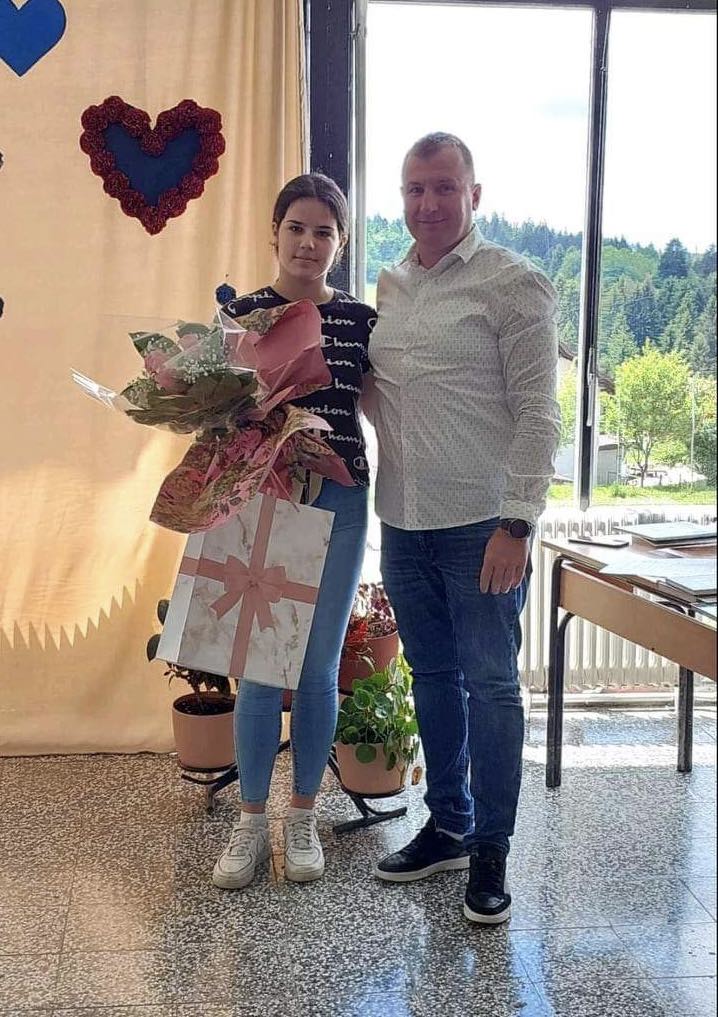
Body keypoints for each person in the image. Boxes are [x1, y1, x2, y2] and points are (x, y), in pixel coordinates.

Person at [368, 133, 560, 924]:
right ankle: (447, 823)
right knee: (432, 676)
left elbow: (540, 414)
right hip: (402, 521)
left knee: (491, 685)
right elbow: (383, 393)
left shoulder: (513, 282)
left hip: (483, 526)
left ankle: (490, 848)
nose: (428, 203)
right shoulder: (390, 284)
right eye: (415, 189)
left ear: (474, 195)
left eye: (445, 187)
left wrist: (518, 520)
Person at [212, 174, 375, 890]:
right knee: (258, 665)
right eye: (296, 228)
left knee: (317, 667)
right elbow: (219, 418)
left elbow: (385, 406)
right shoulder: (241, 316)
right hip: (264, 499)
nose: (309, 243)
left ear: (341, 242)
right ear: (274, 233)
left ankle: (302, 814)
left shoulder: (362, 321)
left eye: (324, 232)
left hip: (342, 499)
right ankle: (251, 821)